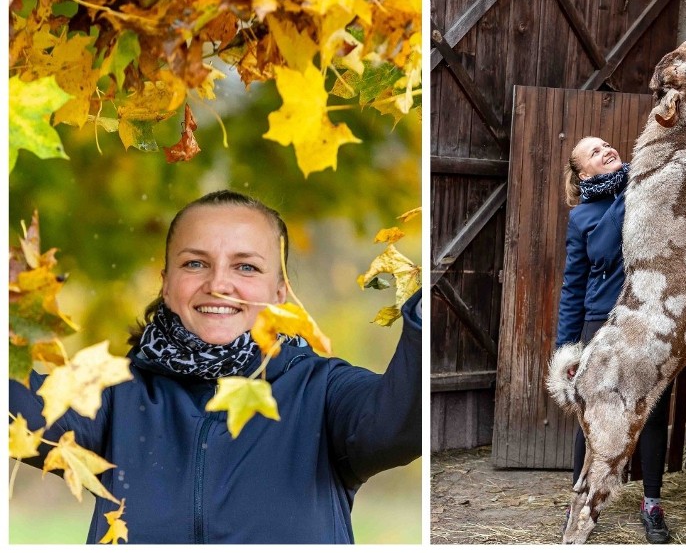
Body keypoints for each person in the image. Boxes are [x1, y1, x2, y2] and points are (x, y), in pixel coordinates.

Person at [10, 190, 422, 544]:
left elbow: (396, 426)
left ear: (279, 290)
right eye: (194, 263)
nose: (218, 283)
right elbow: (14, 412)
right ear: (166, 282)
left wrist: (427, 315)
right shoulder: (115, 395)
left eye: (246, 266)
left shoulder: (324, 390)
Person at [556, 34, 686, 544]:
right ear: (581, 172)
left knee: (649, 414)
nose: (606, 150)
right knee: (594, 417)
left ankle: (652, 505)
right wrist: (568, 346)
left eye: (606, 145)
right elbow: (574, 282)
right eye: (593, 153)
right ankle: (582, 504)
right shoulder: (584, 216)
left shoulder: (648, 180)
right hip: (600, 318)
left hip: (646, 321)